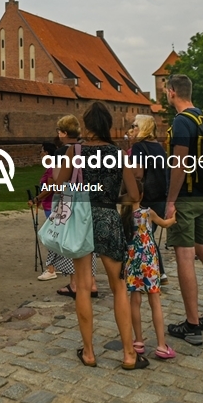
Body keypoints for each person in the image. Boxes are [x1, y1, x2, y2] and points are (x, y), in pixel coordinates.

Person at [55, 102, 145, 370]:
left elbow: (59, 184)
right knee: (119, 287)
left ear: (87, 125)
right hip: (107, 218)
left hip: (82, 219)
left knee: (82, 286)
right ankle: (129, 354)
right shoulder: (119, 154)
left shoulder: (75, 151)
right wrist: (112, 197)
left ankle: (90, 352)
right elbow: (135, 195)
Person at [165, 74, 203, 347]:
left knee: (184, 255)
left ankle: (191, 325)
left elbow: (179, 164)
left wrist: (170, 201)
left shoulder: (181, 121)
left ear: (171, 92)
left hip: (187, 198)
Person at [121, 178, 178, 360]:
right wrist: (174, 217)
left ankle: (138, 340)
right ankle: (161, 345)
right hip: (149, 263)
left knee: (135, 301)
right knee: (155, 301)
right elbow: (165, 224)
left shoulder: (123, 216)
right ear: (142, 195)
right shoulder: (147, 213)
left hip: (132, 262)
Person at [49, 115, 99, 299]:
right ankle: (91, 281)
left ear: (62, 133)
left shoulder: (61, 152)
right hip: (87, 198)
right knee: (87, 241)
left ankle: (74, 283)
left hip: (69, 200)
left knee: (69, 239)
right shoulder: (86, 148)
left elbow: (57, 179)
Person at [128, 115, 169, 283]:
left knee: (142, 236)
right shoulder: (158, 147)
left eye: (135, 126)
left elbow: (138, 173)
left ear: (143, 127)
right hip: (161, 197)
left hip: (146, 197)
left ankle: (153, 273)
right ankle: (159, 272)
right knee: (147, 236)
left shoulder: (139, 146)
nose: (132, 129)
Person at [30, 142, 58, 280]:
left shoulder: (52, 167)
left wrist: (36, 198)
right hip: (49, 205)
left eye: (42, 151)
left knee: (50, 237)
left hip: (51, 206)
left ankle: (51, 269)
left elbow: (51, 188)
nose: (40, 154)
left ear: (47, 153)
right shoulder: (51, 167)